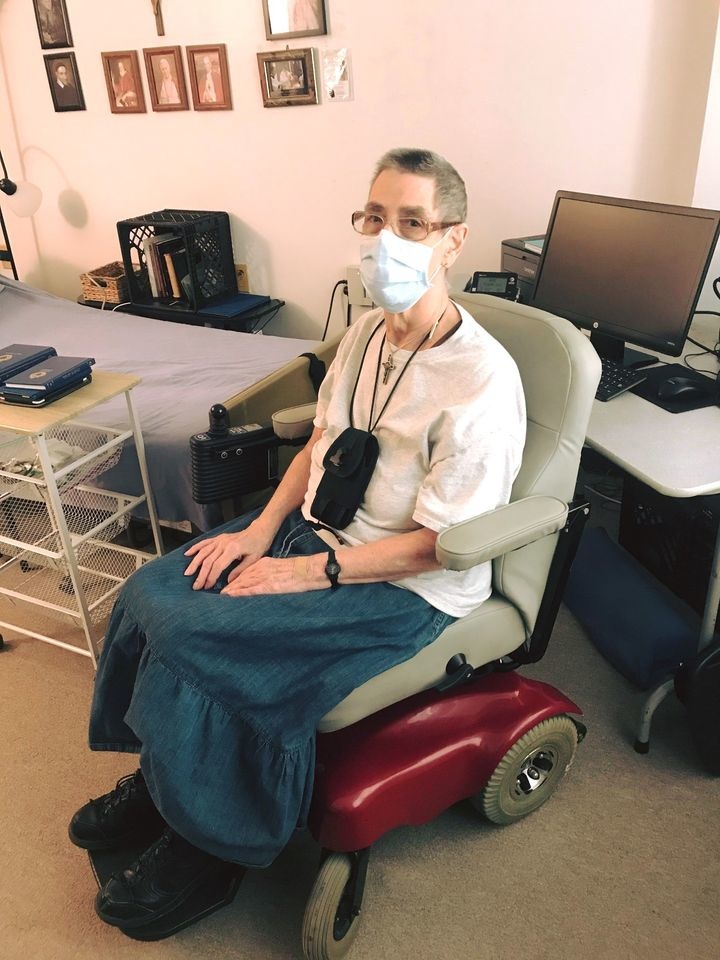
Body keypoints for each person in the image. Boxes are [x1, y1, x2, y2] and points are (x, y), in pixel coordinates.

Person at [68, 148, 526, 934]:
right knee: (153, 593)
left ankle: (211, 846)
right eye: (375, 218)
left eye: (413, 223)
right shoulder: (364, 337)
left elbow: (439, 547)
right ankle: (164, 776)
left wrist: (306, 575)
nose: (389, 240)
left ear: (453, 240)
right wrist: (259, 530)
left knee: (207, 638)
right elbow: (320, 442)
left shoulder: (482, 381)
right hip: (320, 539)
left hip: (405, 587)